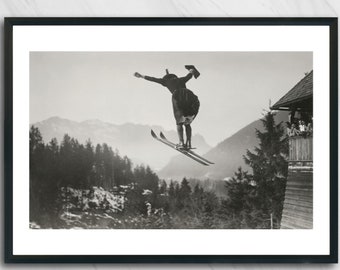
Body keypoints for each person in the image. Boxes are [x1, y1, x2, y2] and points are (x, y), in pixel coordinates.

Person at [134, 67, 200, 149]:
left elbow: (153, 79)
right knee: (187, 122)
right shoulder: (181, 79)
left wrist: (141, 76)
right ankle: (189, 143)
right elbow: (189, 75)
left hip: (178, 96)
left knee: (179, 121)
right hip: (189, 96)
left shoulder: (165, 81)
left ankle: (181, 142)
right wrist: (191, 71)